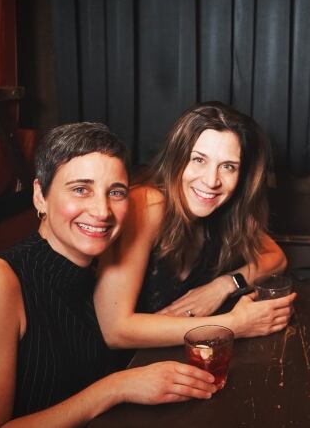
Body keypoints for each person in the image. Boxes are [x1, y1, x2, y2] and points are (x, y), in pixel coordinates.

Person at [0, 123, 218, 427]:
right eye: (81, 189)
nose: (102, 211)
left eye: (116, 192)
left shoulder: (98, 277)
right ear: (40, 196)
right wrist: (116, 388)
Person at [95, 102, 295, 348]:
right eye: (199, 159)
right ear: (176, 158)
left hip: (170, 359)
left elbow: (276, 257)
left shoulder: (226, 212)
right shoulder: (147, 204)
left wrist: (223, 286)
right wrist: (233, 325)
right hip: (118, 367)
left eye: (228, 167)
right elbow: (113, 331)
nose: (212, 181)